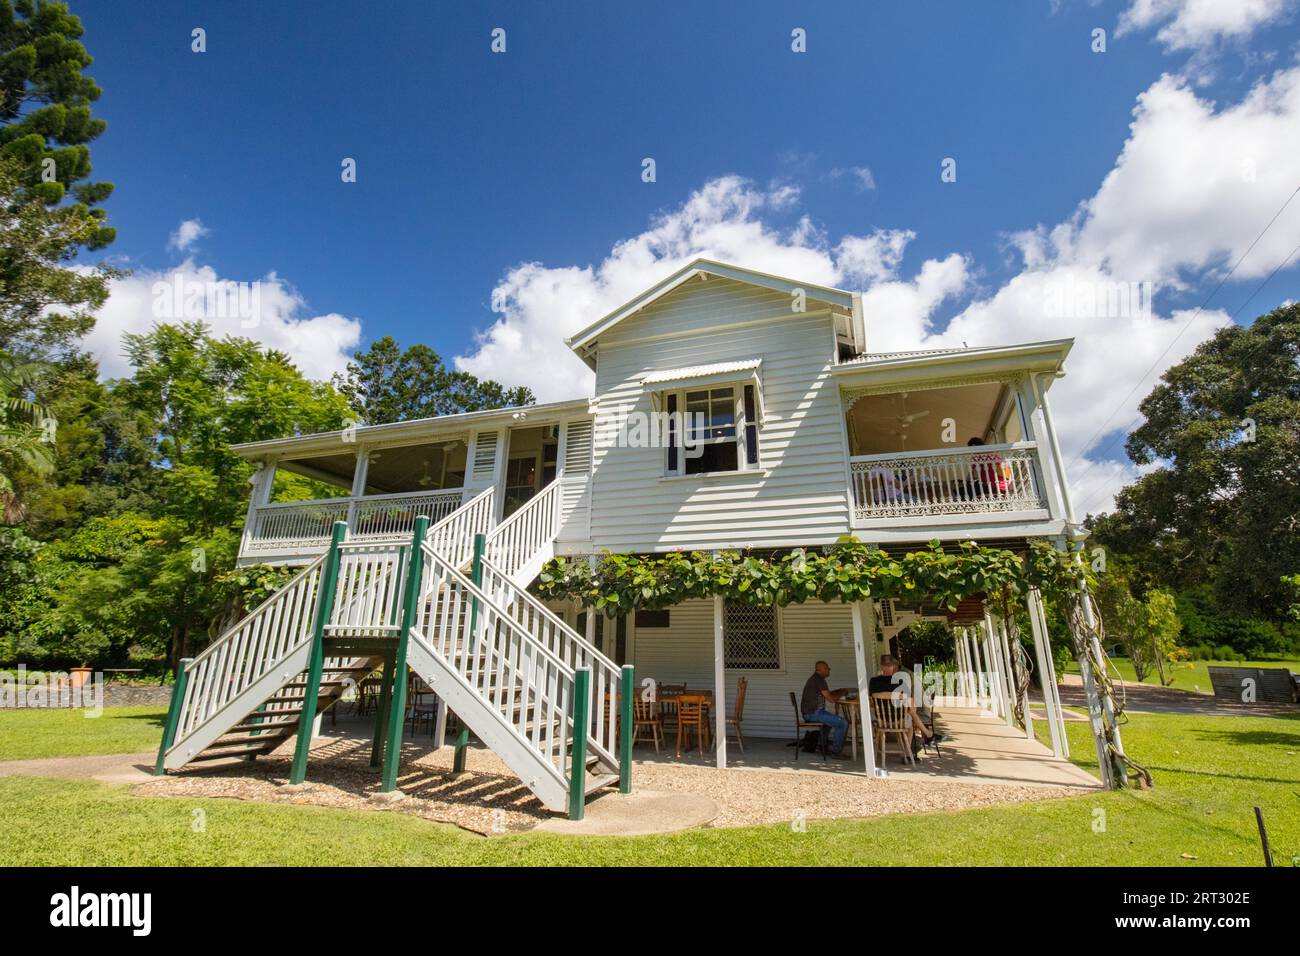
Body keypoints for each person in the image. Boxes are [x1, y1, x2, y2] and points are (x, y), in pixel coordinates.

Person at [869, 655, 947, 751]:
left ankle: (928, 735)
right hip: (900, 720)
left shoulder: (873, 681)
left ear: (881, 666)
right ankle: (907, 752)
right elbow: (911, 704)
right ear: (893, 667)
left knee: (910, 713)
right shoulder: (901, 681)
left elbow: (871, 703)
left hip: (881, 720)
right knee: (910, 716)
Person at [800, 661, 852, 759]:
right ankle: (835, 752)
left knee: (828, 723)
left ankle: (822, 747)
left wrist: (838, 691)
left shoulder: (816, 679)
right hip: (813, 713)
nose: (829, 670)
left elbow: (827, 694)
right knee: (843, 723)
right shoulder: (818, 680)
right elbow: (831, 699)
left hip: (811, 712)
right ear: (819, 670)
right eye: (827, 668)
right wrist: (842, 693)